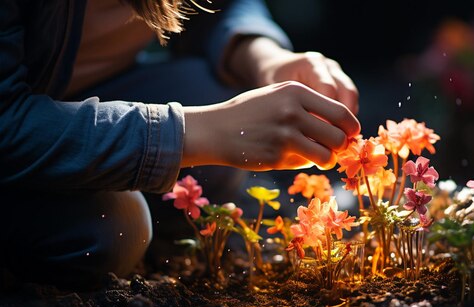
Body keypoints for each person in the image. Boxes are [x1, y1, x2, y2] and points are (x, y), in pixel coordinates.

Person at [0, 0, 360, 289]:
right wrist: (199, 132)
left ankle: (162, 198)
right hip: (19, 120)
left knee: (230, 101)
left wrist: (263, 56)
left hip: (94, 90)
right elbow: (8, 123)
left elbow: (216, 7)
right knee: (115, 228)